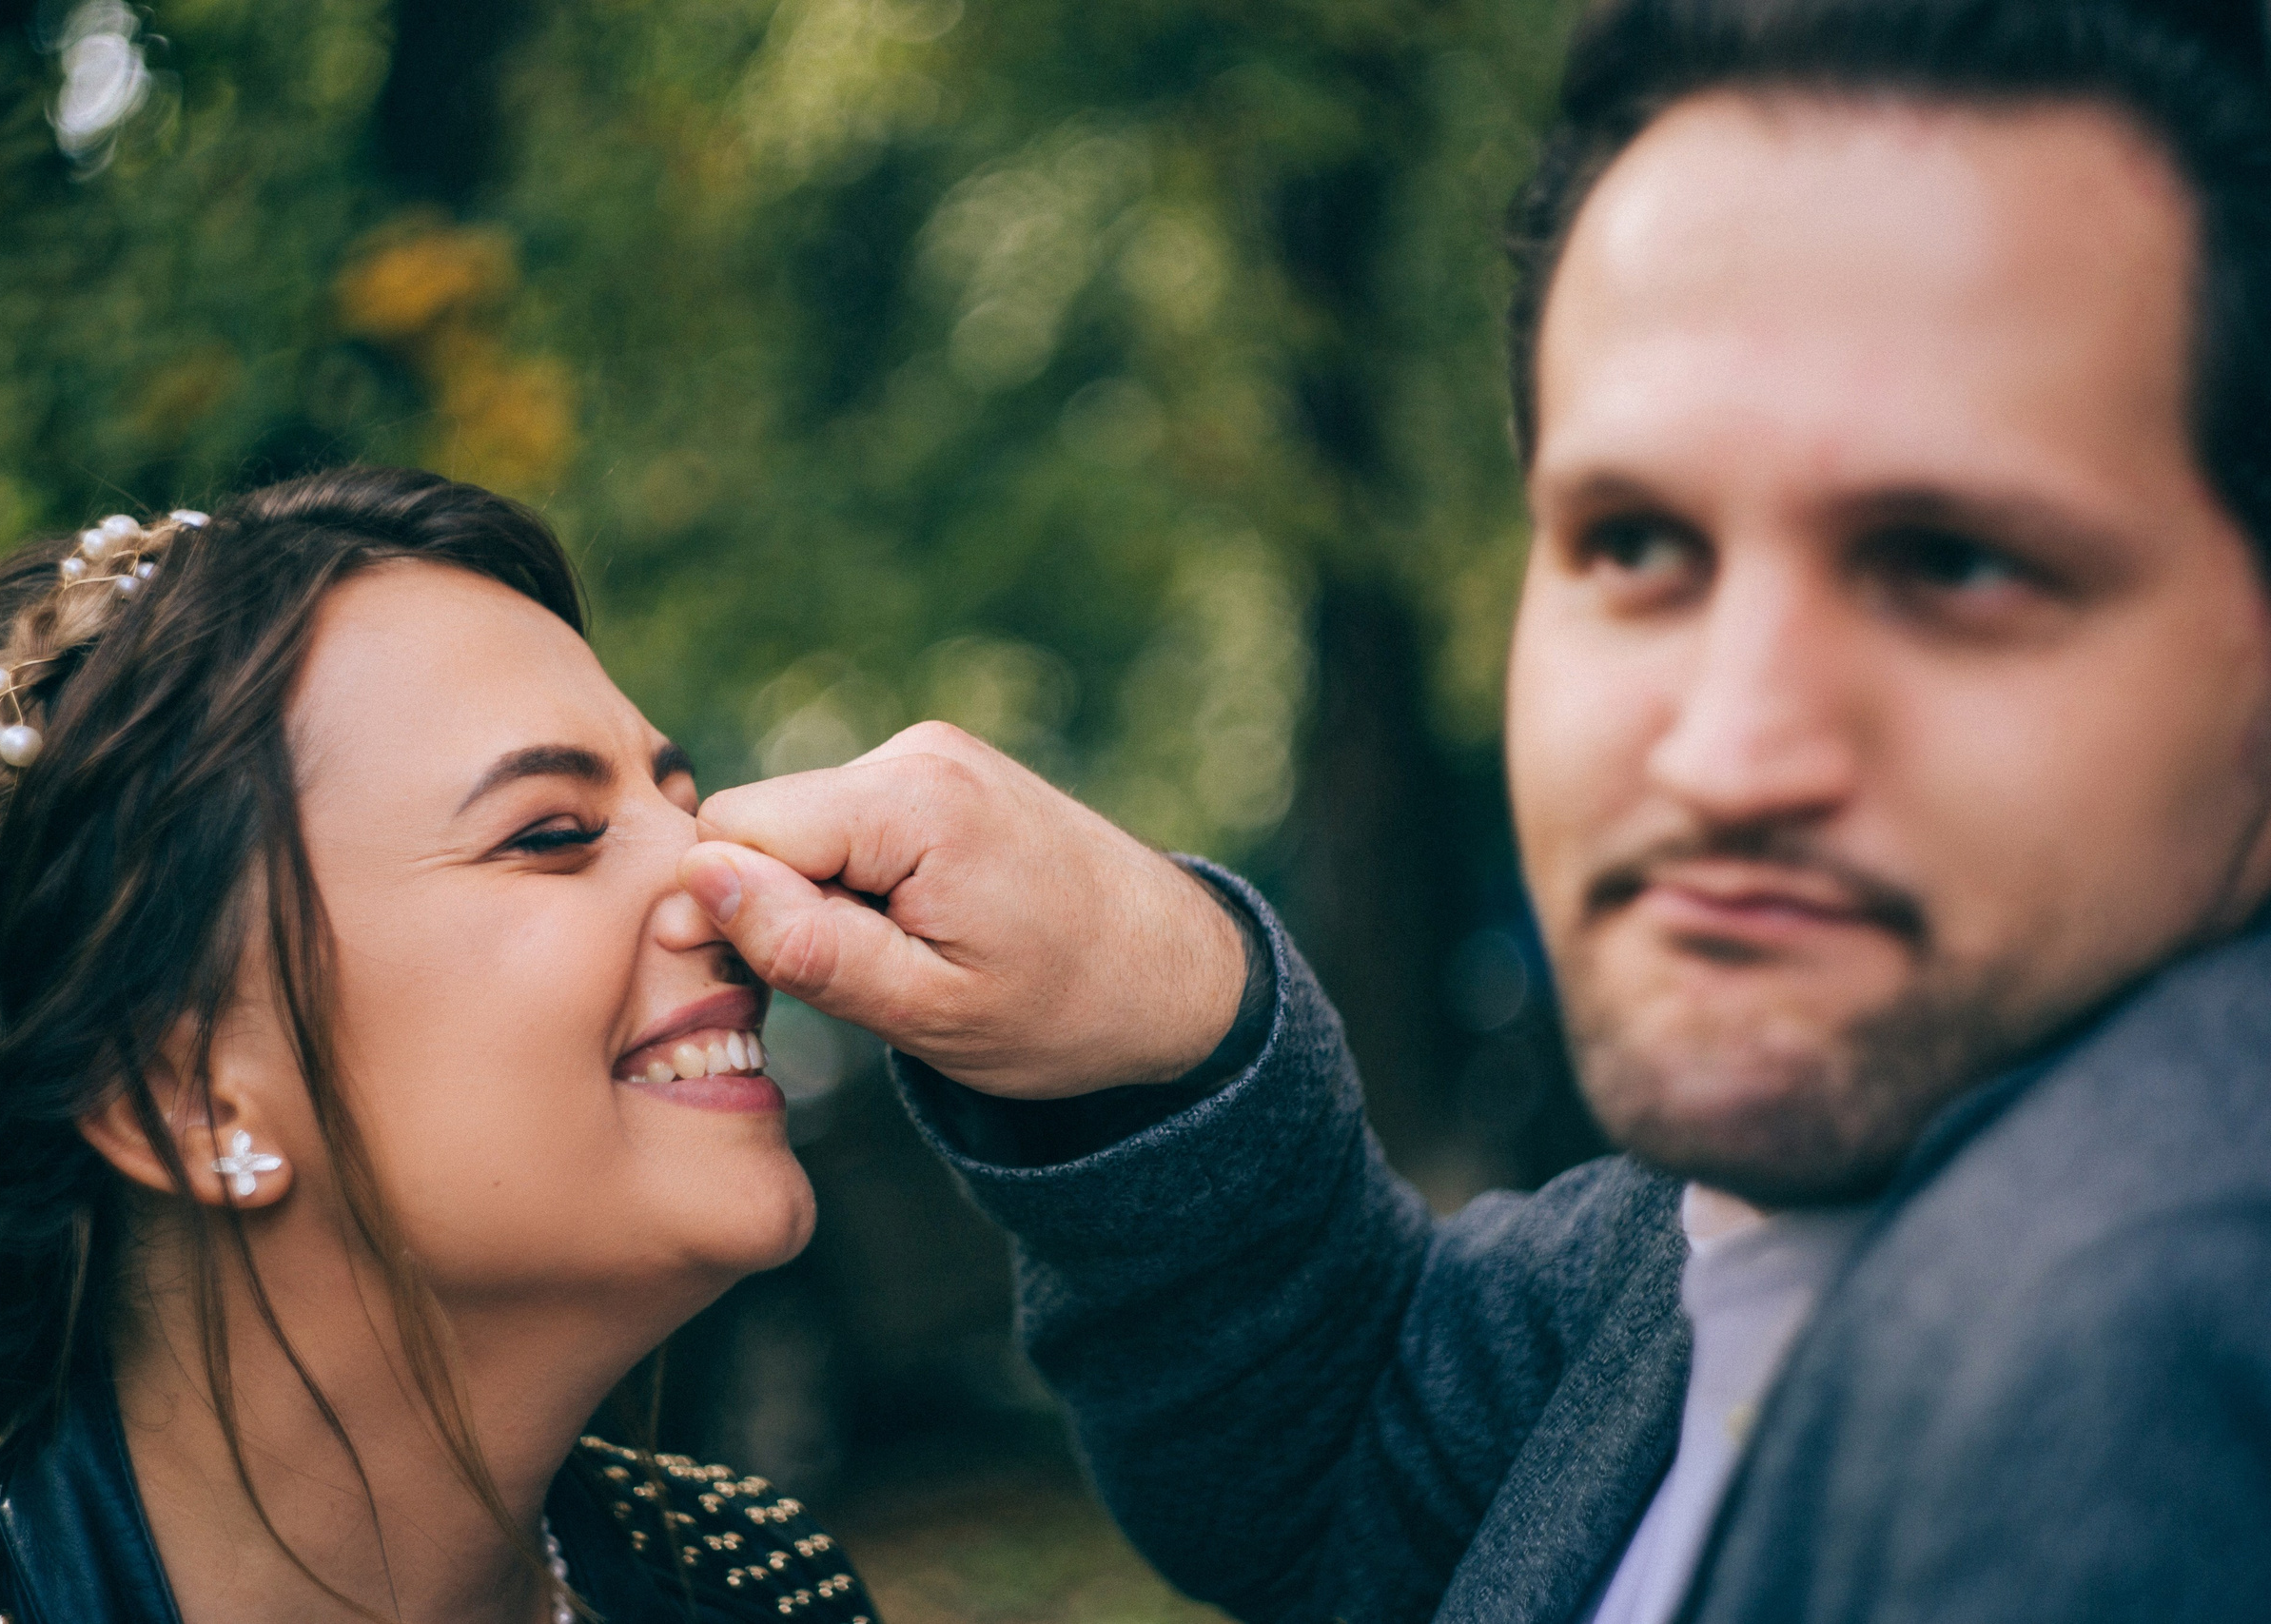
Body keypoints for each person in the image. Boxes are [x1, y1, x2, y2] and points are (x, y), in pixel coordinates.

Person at [669, 0, 2271, 1619]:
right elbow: (1392, 1488)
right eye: (1636, 543)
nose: (1726, 749)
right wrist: (1171, 1040)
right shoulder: (1763, 1213)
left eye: (1952, 563)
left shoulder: (2134, 1342)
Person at [0, 469, 874, 1624]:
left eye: (688, 804)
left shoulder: (763, 1583)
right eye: (552, 834)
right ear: (179, 1097)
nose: (741, 882)